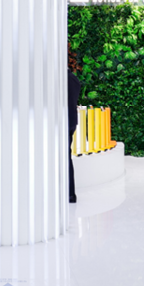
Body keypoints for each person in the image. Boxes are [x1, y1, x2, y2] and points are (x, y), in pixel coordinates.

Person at [67, 67, 81, 204]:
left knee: (64, 158)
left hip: (63, 122)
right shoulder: (74, 79)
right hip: (70, 122)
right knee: (66, 156)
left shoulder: (64, 80)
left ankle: (69, 193)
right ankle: (70, 193)